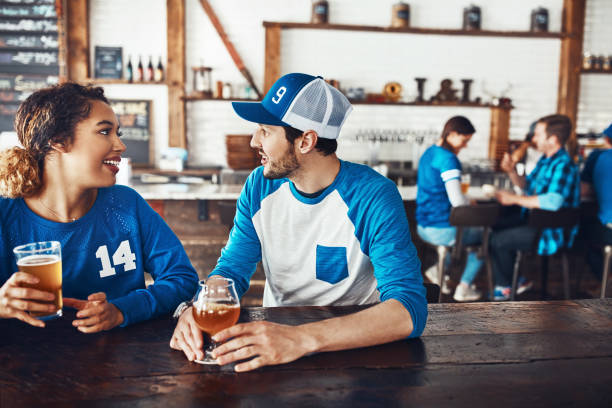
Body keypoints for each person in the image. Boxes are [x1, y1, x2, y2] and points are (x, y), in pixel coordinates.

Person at [170, 73, 427, 371]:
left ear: (306, 140)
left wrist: (300, 339)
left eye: (266, 131)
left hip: (354, 350)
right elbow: (231, 270)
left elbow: (408, 310)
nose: (254, 141)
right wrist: (201, 307)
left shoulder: (373, 195)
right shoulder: (259, 186)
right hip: (273, 344)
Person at [0, 83, 198, 331]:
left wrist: (122, 310)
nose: (120, 145)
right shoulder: (5, 217)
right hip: (23, 364)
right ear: (59, 140)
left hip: (124, 362)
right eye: (105, 132)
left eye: (118, 133)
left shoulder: (126, 205)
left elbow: (181, 278)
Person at [491, 114, 580, 300]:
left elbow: (553, 201)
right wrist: (511, 171)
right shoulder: (546, 160)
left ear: (552, 139)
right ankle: (513, 284)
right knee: (495, 228)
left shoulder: (563, 164)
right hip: (536, 223)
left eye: (538, 134)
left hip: (551, 231)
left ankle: (506, 288)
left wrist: (514, 199)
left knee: (499, 241)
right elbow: (527, 185)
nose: (533, 139)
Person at [416, 116, 484, 302]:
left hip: (423, 226)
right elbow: (457, 201)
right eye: (464, 140)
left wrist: (466, 200)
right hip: (442, 229)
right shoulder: (448, 159)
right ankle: (464, 288)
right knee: (487, 237)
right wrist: (470, 202)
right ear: (452, 134)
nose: (465, 146)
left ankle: (435, 270)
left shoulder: (429, 152)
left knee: (467, 234)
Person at [579, 123, 612, 284]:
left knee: (580, 234)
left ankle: (606, 279)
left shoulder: (599, 156)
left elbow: (584, 191)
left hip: (608, 229)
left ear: (607, 139)